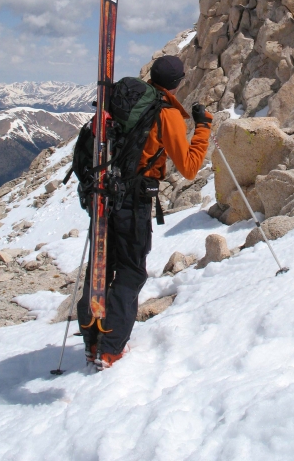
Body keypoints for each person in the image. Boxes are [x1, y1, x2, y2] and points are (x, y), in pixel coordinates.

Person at [77, 55, 213, 370]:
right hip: (133, 203)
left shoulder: (126, 101)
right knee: (130, 272)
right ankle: (111, 349)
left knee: (100, 266)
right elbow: (190, 167)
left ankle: (92, 341)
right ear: (179, 83)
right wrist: (203, 127)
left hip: (105, 193)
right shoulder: (166, 115)